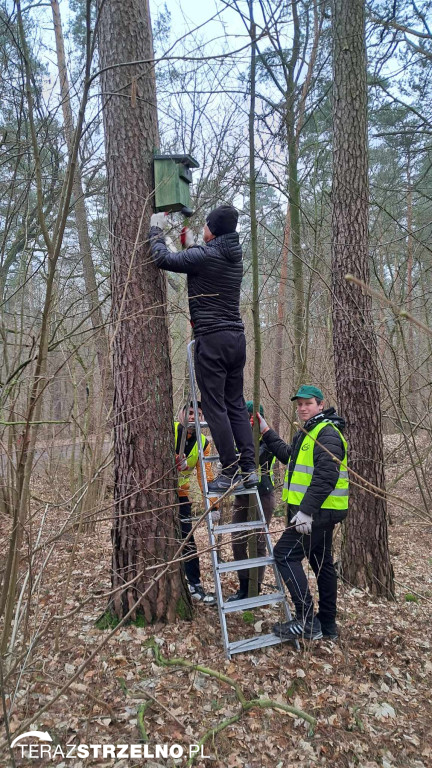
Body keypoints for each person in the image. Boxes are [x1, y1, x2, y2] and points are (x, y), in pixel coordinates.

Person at [149, 205, 258, 493]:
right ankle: (248, 468)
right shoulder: (233, 256)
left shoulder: (205, 255)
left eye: (206, 225)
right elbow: (195, 256)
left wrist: (156, 226)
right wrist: (188, 240)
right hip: (236, 338)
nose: (203, 229)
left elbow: (162, 258)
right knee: (234, 403)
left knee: (213, 405)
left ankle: (230, 470)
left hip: (212, 339)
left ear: (212, 229)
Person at [256, 385, 348, 641]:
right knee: (322, 564)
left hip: (316, 514)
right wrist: (266, 431)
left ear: (320, 404)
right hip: (316, 513)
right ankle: (327, 625)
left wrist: (306, 512)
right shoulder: (307, 433)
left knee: (284, 554)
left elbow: (325, 477)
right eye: (299, 405)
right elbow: (287, 455)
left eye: (308, 403)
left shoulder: (326, 433)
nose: (302, 408)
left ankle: (307, 620)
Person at [228, 401, 276, 601]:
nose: (248, 422)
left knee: (257, 543)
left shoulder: (267, 441)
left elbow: (260, 460)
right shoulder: (237, 440)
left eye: (252, 418)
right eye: (245, 418)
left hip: (263, 495)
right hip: (242, 495)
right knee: (237, 540)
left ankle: (255, 590)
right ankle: (244, 587)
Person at [175, 402, 218, 604]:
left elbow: (206, 476)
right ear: (182, 414)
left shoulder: (203, 442)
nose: (194, 417)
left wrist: (213, 505)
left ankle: (193, 584)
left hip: (181, 496)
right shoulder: (170, 430)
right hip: (157, 495)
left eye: (199, 414)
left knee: (187, 540)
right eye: (191, 412)